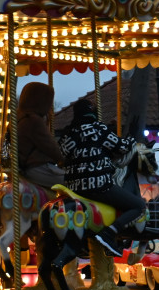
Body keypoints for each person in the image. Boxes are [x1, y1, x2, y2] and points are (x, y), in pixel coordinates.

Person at [58, 97, 142, 256]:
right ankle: (109, 233)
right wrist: (132, 135)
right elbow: (122, 147)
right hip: (97, 185)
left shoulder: (68, 133)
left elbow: (60, 156)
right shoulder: (98, 129)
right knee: (138, 205)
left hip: (73, 188)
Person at [15, 82, 66, 188]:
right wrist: (63, 160)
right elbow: (51, 147)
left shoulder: (19, 117)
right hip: (38, 168)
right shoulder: (33, 121)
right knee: (75, 181)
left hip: (25, 166)